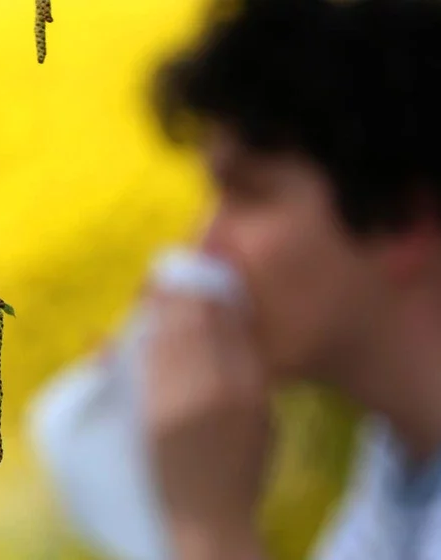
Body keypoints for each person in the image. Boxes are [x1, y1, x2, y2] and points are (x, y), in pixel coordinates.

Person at [147, 0, 441, 558]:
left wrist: (209, 528)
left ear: (405, 218)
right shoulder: (400, 464)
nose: (206, 249)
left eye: (249, 194)